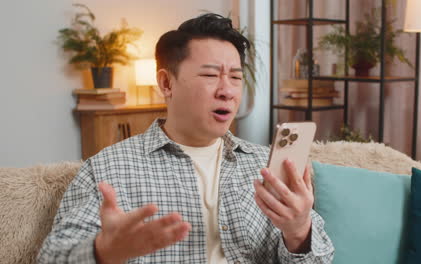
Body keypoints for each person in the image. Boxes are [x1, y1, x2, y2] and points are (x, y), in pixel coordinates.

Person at [38, 13, 334, 264]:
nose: (227, 90)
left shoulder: (264, 165)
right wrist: (103, 251)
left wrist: (298, 232)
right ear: (166, 83)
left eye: (235, 77)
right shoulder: (109, 169)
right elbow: (51, 256)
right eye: (209, 76)